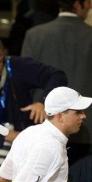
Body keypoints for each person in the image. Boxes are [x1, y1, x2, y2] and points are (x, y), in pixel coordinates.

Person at [0, 33, 68, 179]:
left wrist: (43, 102)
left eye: (0, 61)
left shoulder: (17, 66)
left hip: (19, 141)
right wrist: (6, 135)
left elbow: (58, 76)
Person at [21, 0, 92, 167]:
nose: (90, 6)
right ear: (77, 4)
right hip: (86, 130)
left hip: (44, 123)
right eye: (87, 2)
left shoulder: (35, 35)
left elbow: (25, 84)